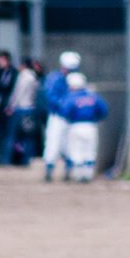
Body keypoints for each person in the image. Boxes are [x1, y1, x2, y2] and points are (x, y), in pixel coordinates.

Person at [57, 73, 109, 182]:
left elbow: (64, 111)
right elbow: (103, 110)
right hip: (91, 125)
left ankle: (78, 175)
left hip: (75, 126)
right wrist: (97, 118)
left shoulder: (71, 97)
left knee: (76, 150)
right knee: (90, 150)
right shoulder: (93, 96)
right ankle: (88, 175)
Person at [42, 50, 80, 182]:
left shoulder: (75, 79)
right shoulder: (54, 78)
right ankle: (49, 171)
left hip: (71, 118)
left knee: (69, 146)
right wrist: (64, 106)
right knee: (53, 143)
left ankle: (69, 172)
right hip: (57, 116)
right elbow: (50, 97)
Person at [8, 57, 41, 166]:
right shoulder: (34, 77)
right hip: (30, 108)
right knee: (28, 136)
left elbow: (18, 93)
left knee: (15, 136)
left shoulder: (24, 77)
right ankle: (27, 158)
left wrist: (11, 106)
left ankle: (12, 159)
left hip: (21, 108)